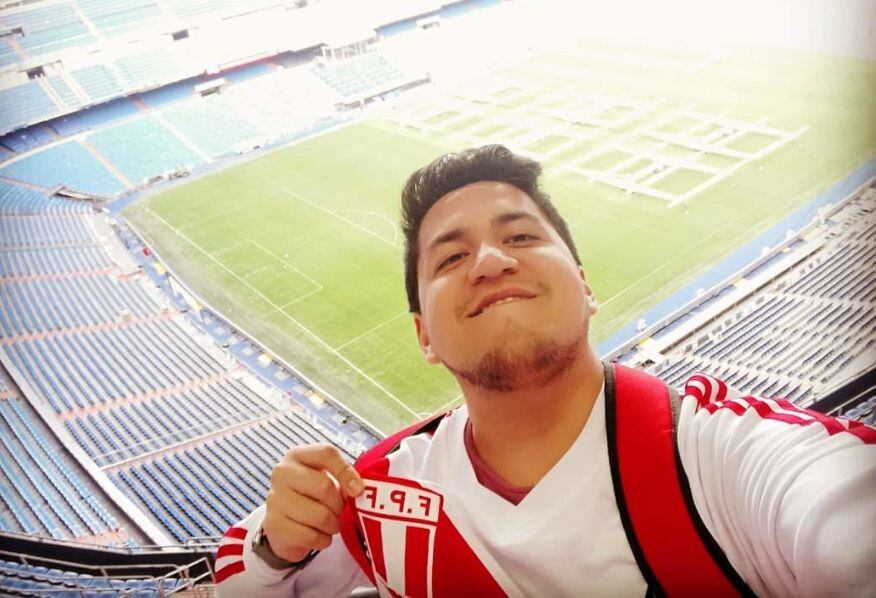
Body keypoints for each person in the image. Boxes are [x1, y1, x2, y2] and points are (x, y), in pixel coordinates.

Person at [215, 145, 876, 597]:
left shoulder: (724, 460)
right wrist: (275, 548)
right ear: (424, 337)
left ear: (586, 287)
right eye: (450, 258)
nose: (489, 261)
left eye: (521, 236)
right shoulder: (374, 487)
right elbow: (241, 575)